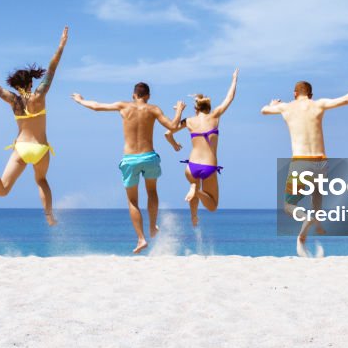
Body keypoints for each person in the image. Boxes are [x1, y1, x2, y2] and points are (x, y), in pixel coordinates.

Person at [262, 73, 348, 255]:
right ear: (311, 95)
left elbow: (264, 110)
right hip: (321, 162)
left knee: (289, 206)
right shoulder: (318, 104)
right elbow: (347, 99)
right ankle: (317, 222)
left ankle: (306, 219)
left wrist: (273, 105)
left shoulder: (286, 107)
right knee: (316, 192)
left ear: (295, 93)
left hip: (301, 162)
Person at [0, 26, 69, 226]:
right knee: (41, 180)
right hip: (40, 149)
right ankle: (49, 216)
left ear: (16, 85)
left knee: (3, 190)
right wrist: (61, 45)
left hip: (21, 148)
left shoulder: (12, 100)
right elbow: (52, 68)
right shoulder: (39, 96)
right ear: (30, 83)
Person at [71, 83, 184, 253]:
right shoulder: (153, 109)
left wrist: (80, 100)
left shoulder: (123, 106)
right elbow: (173, 127)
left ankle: (141, 239)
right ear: (148, 96)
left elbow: (96, 107)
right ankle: (153, 226)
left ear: (133, 95)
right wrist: (179, 110)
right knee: (152, 192)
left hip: (130, 159)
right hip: (149, 157)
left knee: (132, 201)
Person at [164, 69, 238, 226]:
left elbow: (167, 134)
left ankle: (194, 216)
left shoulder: (189, 121)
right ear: (209, 108)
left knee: (194, 188)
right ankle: (195, 190)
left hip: (191, 167)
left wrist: (175, 144)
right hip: (208, 167)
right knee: (212, 205)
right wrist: (234, 80)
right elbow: (229, 98)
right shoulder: (215, 116)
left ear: (195, 109)